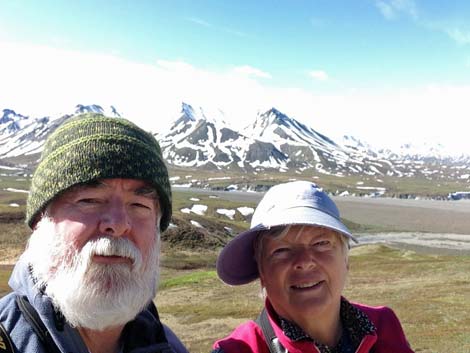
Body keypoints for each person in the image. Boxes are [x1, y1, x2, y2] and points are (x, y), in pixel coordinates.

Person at [0, 113, 189, 353]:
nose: (118, 224)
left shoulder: (169, 347)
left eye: (139, 205)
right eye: (90, 200)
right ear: (41, 220)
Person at [212, 181, 414, 353]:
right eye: (281, 250)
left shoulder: (383, 326)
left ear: (346, 259)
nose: (305, 261)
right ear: (262, 272)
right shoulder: (238, 349)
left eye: (321, 244)